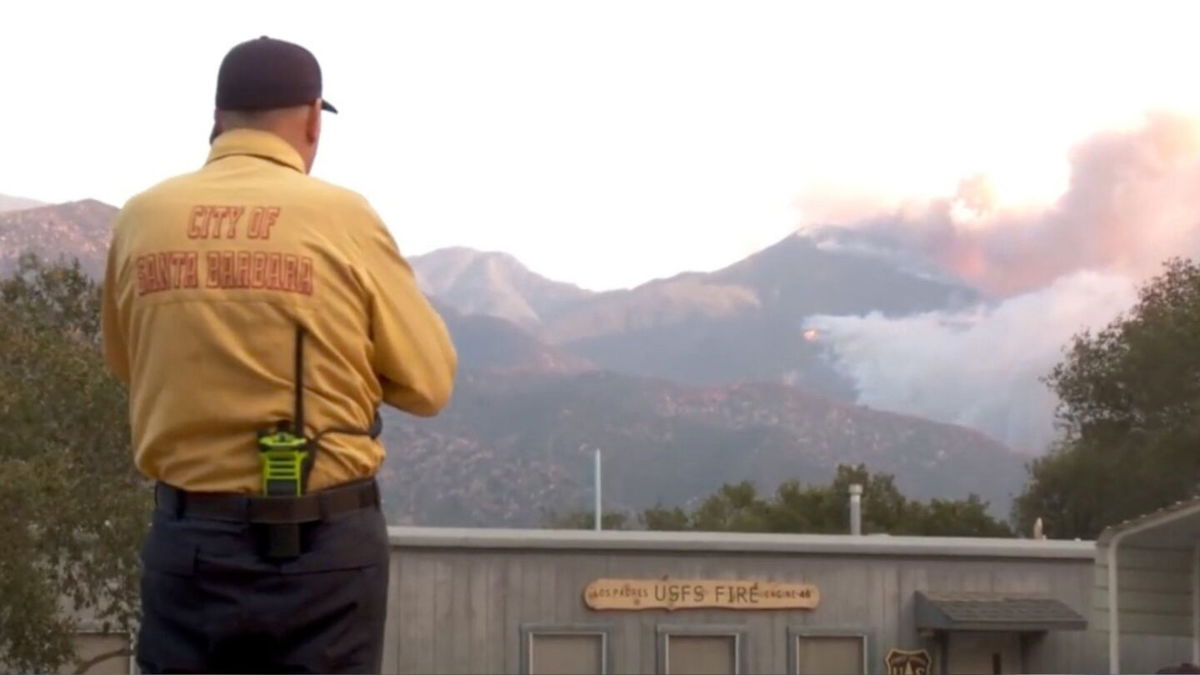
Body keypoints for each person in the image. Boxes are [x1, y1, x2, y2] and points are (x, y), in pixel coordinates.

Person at [100, 36, 457, 673]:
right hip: (325, 553)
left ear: (217, 120)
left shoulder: (142, 218)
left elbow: (127, 364)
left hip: (190, 546)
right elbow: (429, 386)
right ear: (313, 119)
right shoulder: (343, 216)